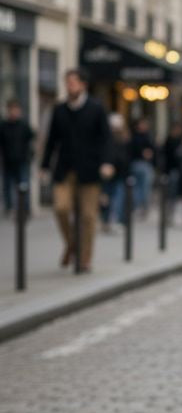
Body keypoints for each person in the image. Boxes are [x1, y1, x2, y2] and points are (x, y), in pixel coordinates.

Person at [40, 67, 113, 272]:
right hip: (64, 168)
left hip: (89, 170)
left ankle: (84, 258)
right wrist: (45, 165)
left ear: (83, 85)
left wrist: (107, 163)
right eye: (67, 82)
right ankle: (73, 244)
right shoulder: (60, 109)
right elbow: (52, 140)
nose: (69, 86)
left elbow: (106, 139)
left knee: (88, 216)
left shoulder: (96, 108)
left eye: (73, 82)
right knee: (61, 208)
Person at [0, 97, 35, 215]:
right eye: (11, 109)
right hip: (8, 161)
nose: (13, 112)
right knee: (7, 187)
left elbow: (32, 140)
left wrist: (31, 155)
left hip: (22, 161)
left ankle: (25, 209)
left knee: (24, 185)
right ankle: (9, 208)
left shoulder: (24, 126)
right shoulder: (3, 126)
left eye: (15, 109)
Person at [100, 113, 132, 230]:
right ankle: (106, 220)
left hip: (120, 174)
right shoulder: (105, 139)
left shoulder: (125, 139)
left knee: (118, 198)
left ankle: (117, 220)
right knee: (106, 199)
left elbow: (126, 157)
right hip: (107, 174)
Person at [129, 116, 156, 214]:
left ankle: (142, 206)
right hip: (138, 164)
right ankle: (137, 206)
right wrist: (143, 153)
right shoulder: (135, 137)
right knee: (138, 187)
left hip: (146, 164)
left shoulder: (148, 136)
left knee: (144, 187)